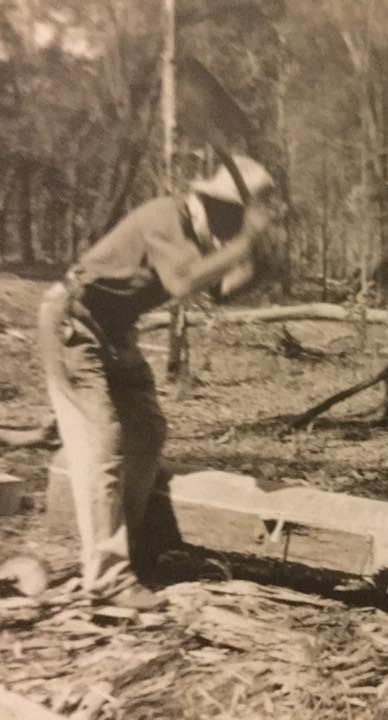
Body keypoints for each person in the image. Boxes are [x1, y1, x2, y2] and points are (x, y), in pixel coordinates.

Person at [37, 155, 275, 609]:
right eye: (231, 216)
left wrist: (260, 259)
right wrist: (246, 241)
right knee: (102, 445)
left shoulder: (205, 234)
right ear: (213, 204)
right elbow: (182, 281)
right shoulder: (164, 216)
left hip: (114, 335)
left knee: (146, 430)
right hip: (74, 325)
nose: (231, 226)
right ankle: (106, 577)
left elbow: (222, 290)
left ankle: (132, 545)